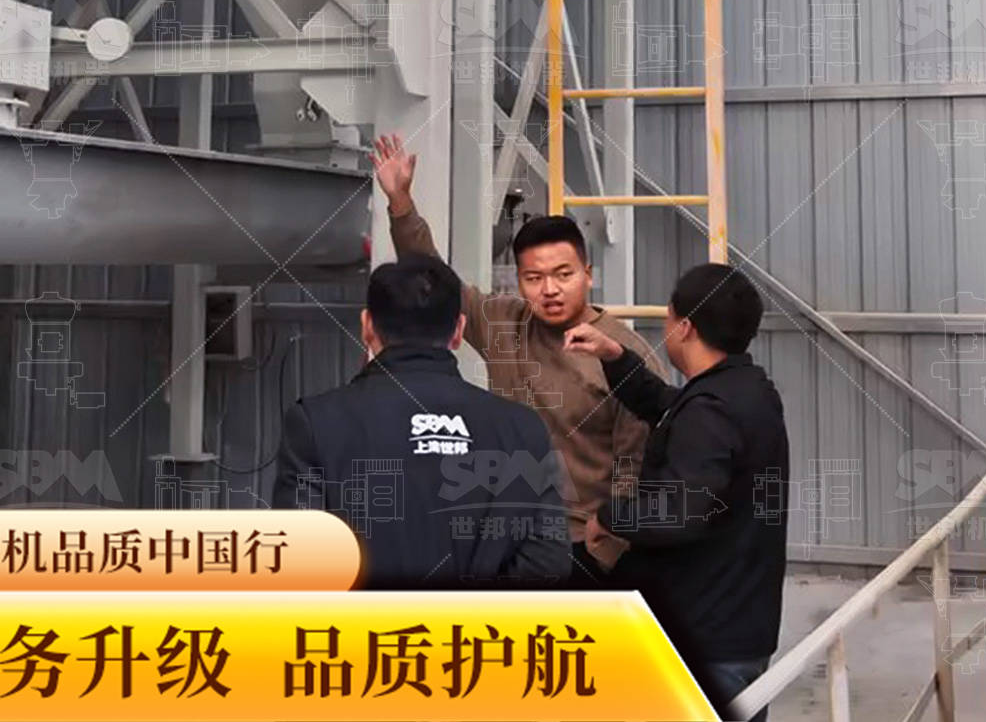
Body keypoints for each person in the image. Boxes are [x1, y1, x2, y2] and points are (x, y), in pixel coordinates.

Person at [374, 131, 663, 582]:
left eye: (563, 274)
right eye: (534, 277)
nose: (549, 289)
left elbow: (638, 465)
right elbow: (437, 280)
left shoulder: (624, 354)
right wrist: (401, 204)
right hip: (502, 540)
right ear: (520, 279)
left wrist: (606, 546)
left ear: (588, 274)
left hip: (580, 546)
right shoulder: (503, 322)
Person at [565, 263, 789, 721]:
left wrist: (609, 517)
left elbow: (678, 512)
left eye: (669, 318)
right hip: (740, 624)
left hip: (705, 639)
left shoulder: (710, 412)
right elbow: (668, 408)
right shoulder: (745, 391)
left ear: (684, 327)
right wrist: (614, 355)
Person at [272, 253, 572, 588]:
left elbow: (300, 562)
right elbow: (548, 560)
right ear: (458, 330)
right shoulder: (522, 428)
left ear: (367, 326)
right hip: (480, 622)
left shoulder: (316, 422)